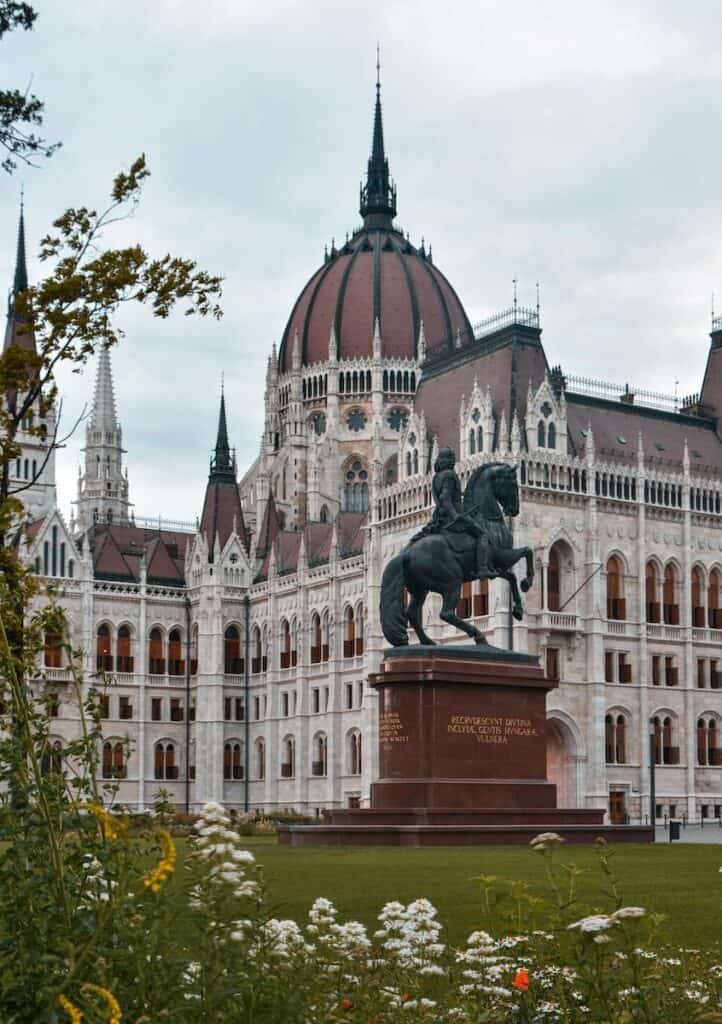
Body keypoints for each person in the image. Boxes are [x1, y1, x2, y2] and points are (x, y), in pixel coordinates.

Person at [410, 446, 490, 579]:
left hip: (439, 517)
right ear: (449, 460)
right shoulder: (449, 476)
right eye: (452, 458)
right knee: (482, 534)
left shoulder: (437, 477)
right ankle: (483, 569)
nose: (454, 461)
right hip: (452, 517)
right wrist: (455, 516)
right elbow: (445, 499)